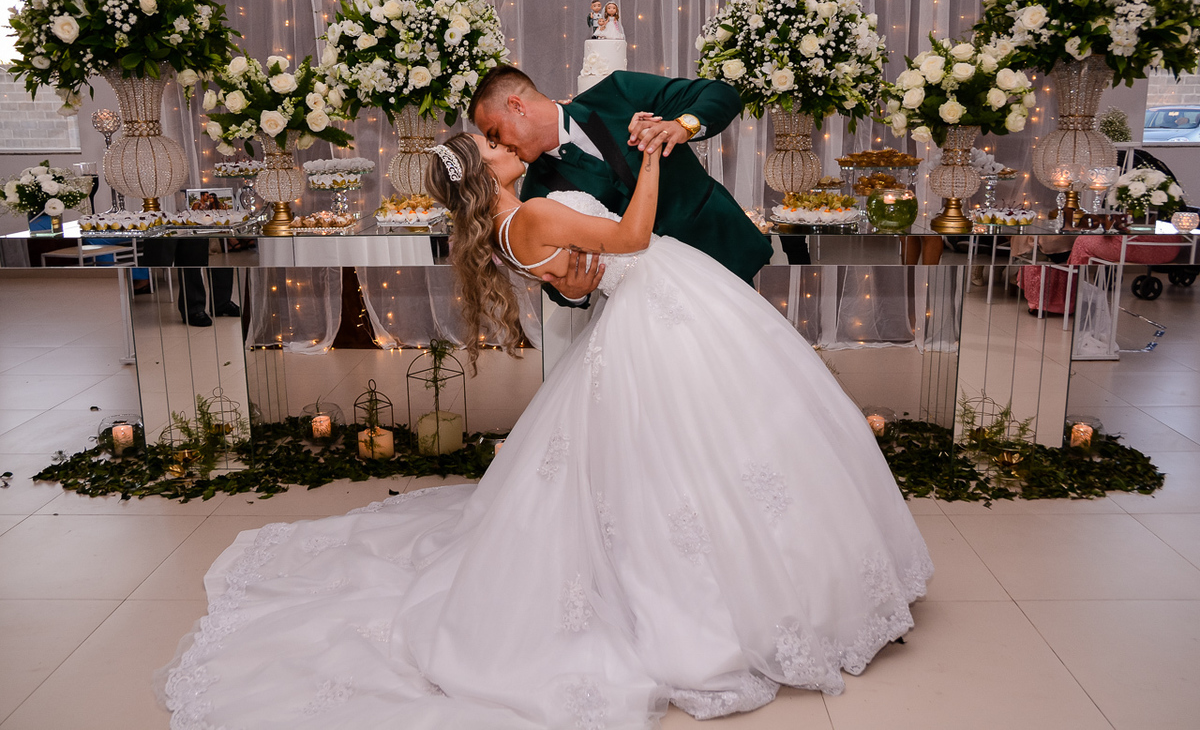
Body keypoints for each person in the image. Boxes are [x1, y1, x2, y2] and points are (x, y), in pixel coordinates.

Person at [162, 131, 932, 729]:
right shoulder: (528, 215)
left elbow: (578, 272)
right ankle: (761, 593)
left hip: (655, 313)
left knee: (681, 462)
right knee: (711, 452)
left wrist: (578, 267)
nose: (506, 146)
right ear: (482, 169)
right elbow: (629, 239)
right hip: (661, 309)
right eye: (493, 146)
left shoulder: (510, 223)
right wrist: (654, 158)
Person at [469, 64, 773, 307]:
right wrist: (572, 292)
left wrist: (683, 125)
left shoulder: (618, 92)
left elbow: (722, 93)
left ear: (517, 106)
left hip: (721, 247)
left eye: (495, 132)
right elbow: (555, 278)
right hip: (655, 299)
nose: (499, 145)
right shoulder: (537, 193)